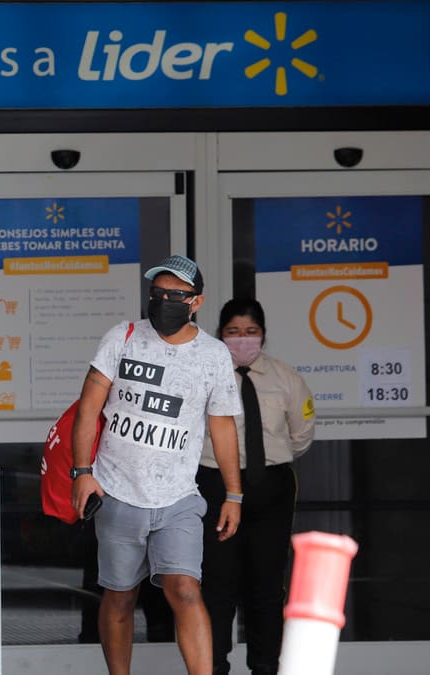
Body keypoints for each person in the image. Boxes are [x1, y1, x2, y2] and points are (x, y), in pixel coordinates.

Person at [70, 255, 244, 675]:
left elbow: (222, 430)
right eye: (158, 293)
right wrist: (82, 473)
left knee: (185, 589)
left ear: (196, 301)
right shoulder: (122, 338)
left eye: (176, 295)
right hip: (116, 490)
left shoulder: (213, 355)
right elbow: (88, 410)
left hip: (179, 498)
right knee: (119, 595)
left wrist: (234, 494)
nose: (164, 300)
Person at [198, 299, 316, 675]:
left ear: (263, 335)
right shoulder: (205, 375)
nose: (242, 340)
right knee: (217, 584)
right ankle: (214, 665)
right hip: (215, 484)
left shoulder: (286, 378)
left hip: (270, 485)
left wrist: (263, 466)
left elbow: (302, 435)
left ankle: (266, 666)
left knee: (266, 586)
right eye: (233, 332)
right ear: (220, 335)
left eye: (251, 332)